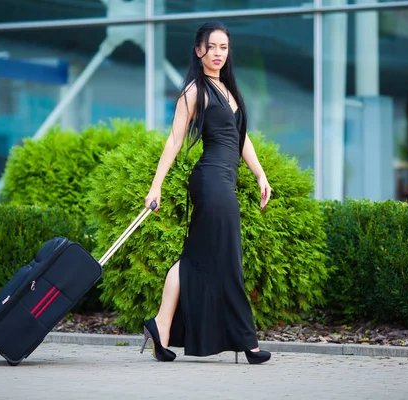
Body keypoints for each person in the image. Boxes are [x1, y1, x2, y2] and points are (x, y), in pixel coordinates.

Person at [141, 21, 272, 365]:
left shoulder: (229, 89)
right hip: (210, 181)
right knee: (226, 258)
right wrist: (155, 186)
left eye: (224, 48)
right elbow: (174, 140)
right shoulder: (194, 91)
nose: (218, 53)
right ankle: (248, 343)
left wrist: (260, 174)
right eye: (212, 47)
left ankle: (161, 327)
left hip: (224, 180)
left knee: (195, 258)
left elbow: (242, 139)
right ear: (199, 50)